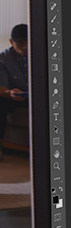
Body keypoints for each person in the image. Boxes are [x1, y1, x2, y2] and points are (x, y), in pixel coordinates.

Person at [0, 23, 28, 160]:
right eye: (20, 43)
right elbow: (2, 87)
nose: (25, 47)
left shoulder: (42, 53)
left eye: (27, 42)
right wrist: (10, 92)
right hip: (13, 97)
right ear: (11, 42)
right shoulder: (3, 59)